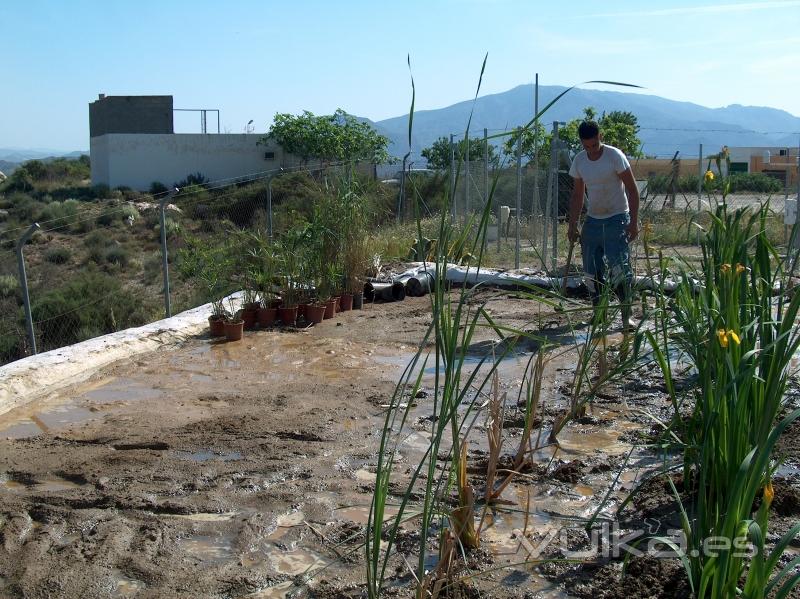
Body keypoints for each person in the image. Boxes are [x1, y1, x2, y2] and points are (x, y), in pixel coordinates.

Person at [567, 120, 640, 330]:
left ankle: (627, 317)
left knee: (620, 269)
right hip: (593, 220)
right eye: (586, 146)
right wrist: (573, 224)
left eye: (594, 145)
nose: (591, 149)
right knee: (591, 270)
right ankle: (599, 314)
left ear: (601, 137)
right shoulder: (580, 161)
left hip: (617, 218)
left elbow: (632, 191)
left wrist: (633, 222)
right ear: (581, 143)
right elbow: (578, 195)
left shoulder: (614, 156)